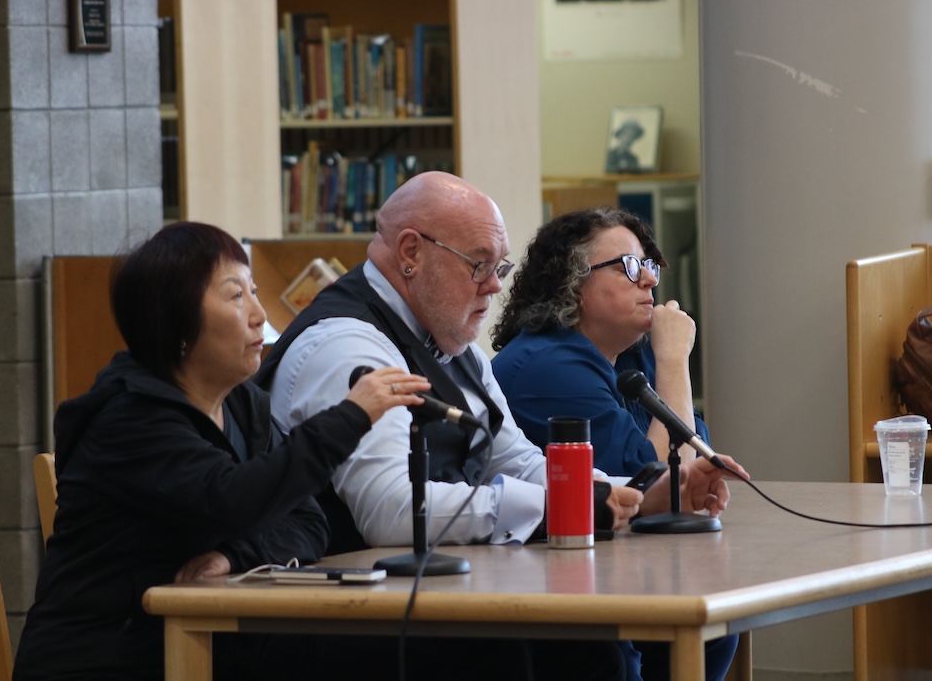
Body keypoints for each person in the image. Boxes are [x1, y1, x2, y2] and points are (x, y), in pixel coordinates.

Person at [255, 172, 747, 679]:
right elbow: (392, 508)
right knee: (577, 649)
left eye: (500, 266)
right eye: (479, 265)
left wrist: (644, 492)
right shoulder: (346, 347)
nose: (495, 284)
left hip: (431, 595)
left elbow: (516, 459)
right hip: (340, 614)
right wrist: (559, 506)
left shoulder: (454, 344)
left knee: (600, 644)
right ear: (410, 252)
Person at [12, 222, 433, 681]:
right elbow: (230, 500)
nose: (258, 314)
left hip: (209, 641)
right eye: (236, 296)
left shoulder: (241, 402)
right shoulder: (128, 417)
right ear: (176, 322)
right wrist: (350, 416)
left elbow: (307, 520)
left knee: (418, 648)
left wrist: (235, 558)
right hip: (110, 658)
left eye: (254, 291)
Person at [490, 207, 739, 681]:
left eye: (649, 265)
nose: (648, 279)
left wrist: (661, 363)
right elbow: (671, 487)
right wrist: (674, 362)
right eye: (628, 266)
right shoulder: (546, 365)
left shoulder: (627, 356)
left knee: (717, 619)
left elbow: (698, 466)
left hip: (614, 573)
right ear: (573, 283)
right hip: (553, 594)